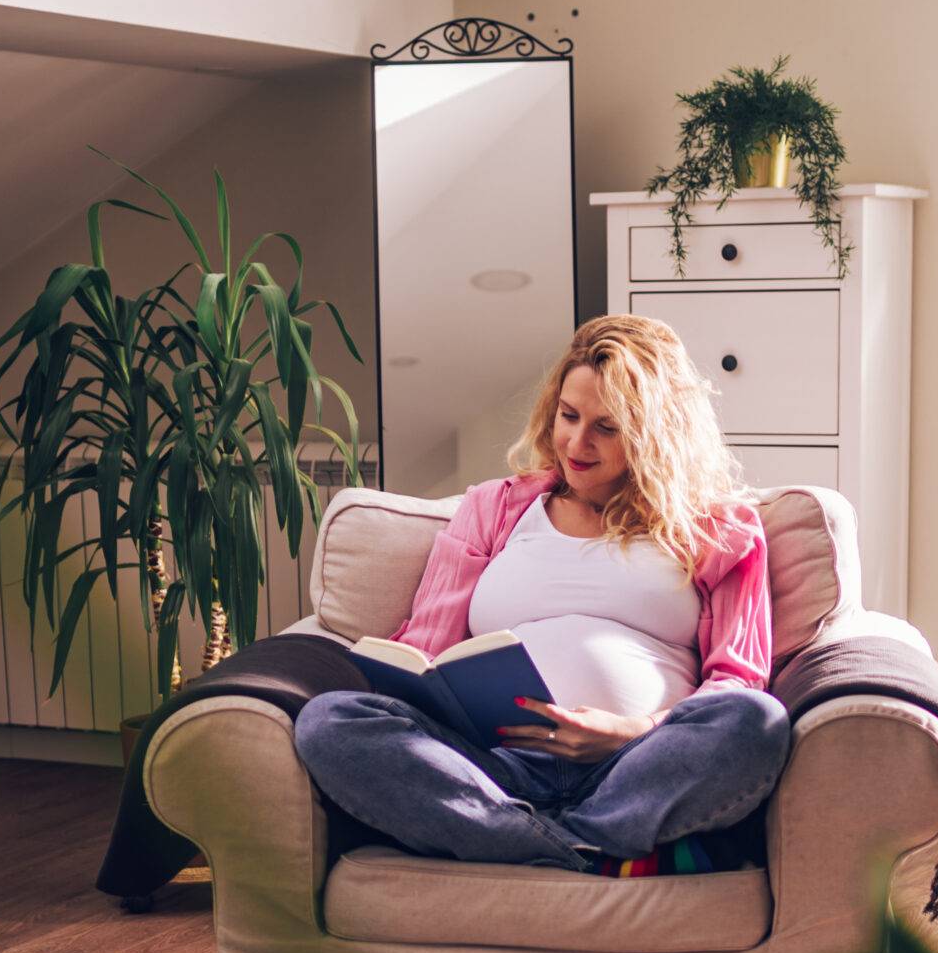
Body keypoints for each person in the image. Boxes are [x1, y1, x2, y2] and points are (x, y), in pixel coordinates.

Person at [295, 314, 790, 871]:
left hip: (636, 766)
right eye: (569, 416)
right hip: (490, 765)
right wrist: (414, 682)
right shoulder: (495, 507)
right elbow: (426, 645)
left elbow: (738, 679)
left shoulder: (718, 528)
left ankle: (524, 839)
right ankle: (588, 850)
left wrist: (631, 733)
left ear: (657, 433)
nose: (577, 443)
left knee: (755, 721)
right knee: (330, 721)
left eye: (608, 427)